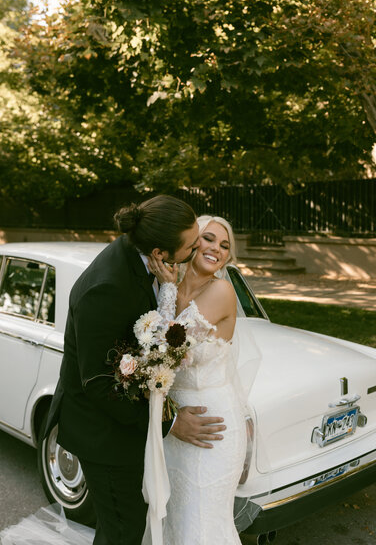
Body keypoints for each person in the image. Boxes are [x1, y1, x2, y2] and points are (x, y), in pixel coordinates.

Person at [0, 196, 227, 545]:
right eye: (192, 245)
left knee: (120, 528)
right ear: (159, 252)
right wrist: (171, 422)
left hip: (126, 427)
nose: (199, 249)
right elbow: (101, 384)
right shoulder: (107, 288)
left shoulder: (143, 259)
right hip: (103, 434)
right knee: (124, 530)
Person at [146, 214, 247, 545]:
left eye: (224, 245)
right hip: (174, 422)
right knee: (175, 518)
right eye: (208, 238)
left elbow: (167, 342)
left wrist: (168, 288)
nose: (215, 248)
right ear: (190, 242)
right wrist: (168, 286)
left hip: (211, 427)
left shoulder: (221, 291)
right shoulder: (165, 285)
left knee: (200, 525)